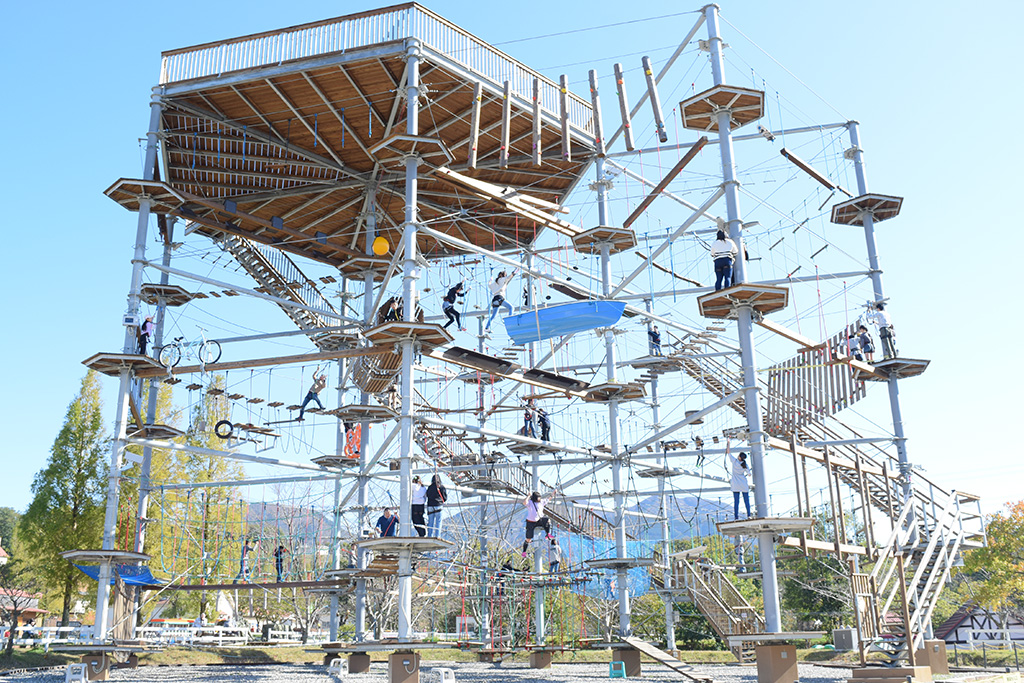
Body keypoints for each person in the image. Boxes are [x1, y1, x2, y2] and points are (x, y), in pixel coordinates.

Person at [521, 489, 556, 556]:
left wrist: (553, 493)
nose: (539, 498)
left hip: (539, 520)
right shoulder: (530, 502)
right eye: (538, 497)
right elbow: (524, 503)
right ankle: (524, 551)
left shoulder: (541, 502)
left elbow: (549, 499)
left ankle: (547, 534)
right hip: (530, 522)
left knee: (547, 520)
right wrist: (528, 496)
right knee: (528, 539)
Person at [725, 443, 751, 520]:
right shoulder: (745, 465)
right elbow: (749, 474)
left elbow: (728, 452)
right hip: (743, 483)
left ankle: (736, 517)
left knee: (736, 502)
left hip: (735, 483)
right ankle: (749, 515)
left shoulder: (735, 461)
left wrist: (729, 443)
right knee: (746, 501)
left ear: (739, 457)